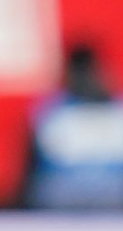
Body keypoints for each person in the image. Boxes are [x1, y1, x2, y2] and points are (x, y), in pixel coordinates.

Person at [22, 42, 123, 210]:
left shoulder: (117, 110)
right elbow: (31, 171)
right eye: (79, 72)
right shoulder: (51, 112)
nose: (86, 79)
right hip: (62, 198)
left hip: (114, 197)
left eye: (90, 72)